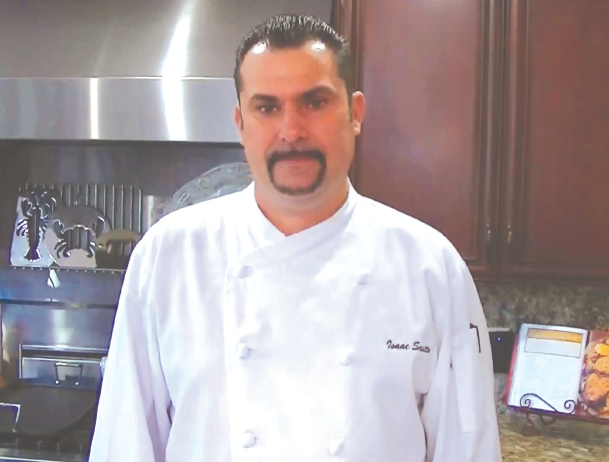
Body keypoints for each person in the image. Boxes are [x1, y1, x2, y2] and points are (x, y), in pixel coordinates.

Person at [89, 14, 502, 462]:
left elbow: (468, 448)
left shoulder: (431, 268)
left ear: (355, 113)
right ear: (240, 124)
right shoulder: (169, 257)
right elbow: (124, 443)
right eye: (267, 107)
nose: (292, 130)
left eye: (315, 102)